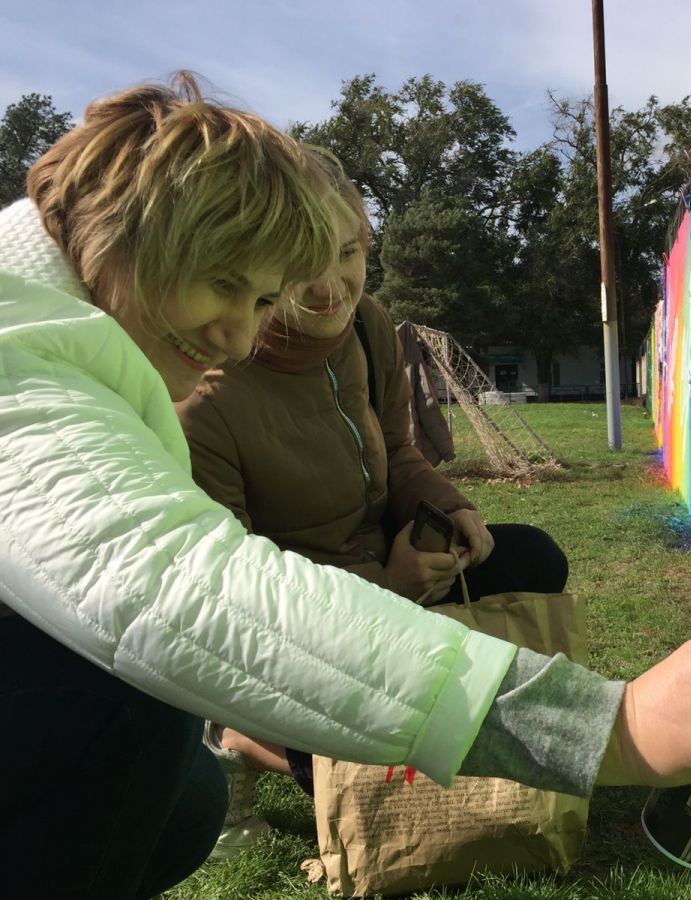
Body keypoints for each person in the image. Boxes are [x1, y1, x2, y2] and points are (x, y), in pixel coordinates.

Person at [0, 74, 691, 900]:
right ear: (142, 235)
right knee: (132, 701)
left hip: (356, 580)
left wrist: (442, 513)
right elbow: (182, 592)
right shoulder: (22, 358)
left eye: (260, 300)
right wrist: (612, 724)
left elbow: (393, 452)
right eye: (225, 286)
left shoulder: (127, 340)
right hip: (314, 587)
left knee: (185, 798)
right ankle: (258, 741)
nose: (242, 336)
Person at [175, 150, 572, 855]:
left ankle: (409, 681)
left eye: (350, 253)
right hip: (300, 625)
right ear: (260, 269)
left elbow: (402, 450)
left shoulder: (368, 327)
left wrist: (450, 508)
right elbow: (232, 591)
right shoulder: (206, 399)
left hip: (393, 567)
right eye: (301, 268)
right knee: (359, 771)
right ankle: (240, 736)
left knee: (534, 557)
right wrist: (383, 587)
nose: (332, 287)